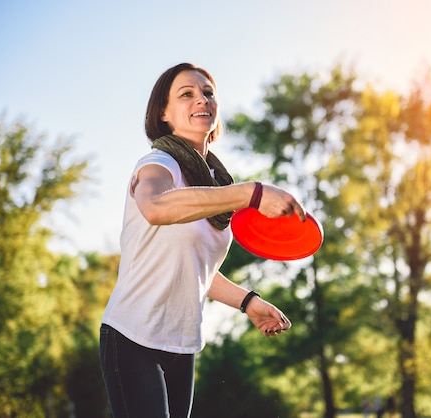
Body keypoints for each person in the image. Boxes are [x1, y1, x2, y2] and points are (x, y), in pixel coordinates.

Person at [99, 62, 306, 418]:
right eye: (187, 94)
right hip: (132, 337)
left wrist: (248, 302)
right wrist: (251, 194)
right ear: (163, 113)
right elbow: (156, 207)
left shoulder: (216, 184)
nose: (202, 100)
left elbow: (197, 269)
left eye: (208, 93)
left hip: (183, 344)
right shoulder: (157, 164)